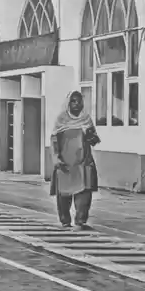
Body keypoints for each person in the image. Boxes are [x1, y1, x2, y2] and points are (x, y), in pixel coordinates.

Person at [49, 90, 100, 229]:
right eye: (73, 101)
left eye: (79, 101)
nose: (77, 104)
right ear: (68, 103)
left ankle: (81, 219)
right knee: (64, 194)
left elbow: (94, 141)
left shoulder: (86, 119)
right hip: (65, 163)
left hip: (83, 162)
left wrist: (88, 133)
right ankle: (65, 220)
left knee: (84, 193)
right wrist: (56, 158)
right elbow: (54, 141)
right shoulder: (61, 120)